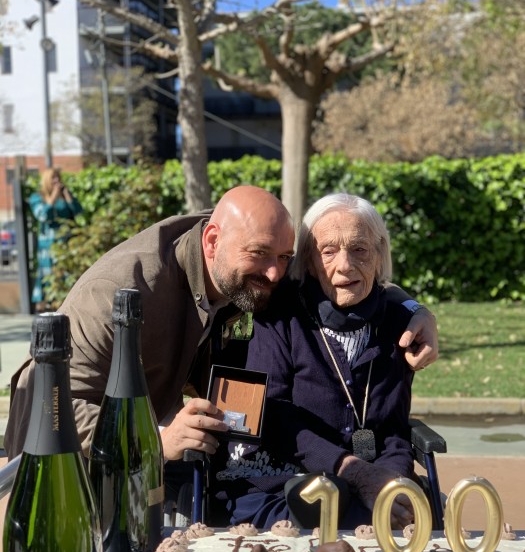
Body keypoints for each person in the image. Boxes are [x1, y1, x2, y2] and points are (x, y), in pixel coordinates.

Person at [4, 186, 437, 471]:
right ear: (212, 242)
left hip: (155, 461)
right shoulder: (119, 293)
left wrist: (412, 308)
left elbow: (345, 276)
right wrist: (154, 440)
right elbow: (48, 405)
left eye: (284, 258)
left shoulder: (244, 265)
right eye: (261, 255)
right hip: (64, 471)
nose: (274, 274)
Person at [216, 193, 428, 530]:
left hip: (368, 487)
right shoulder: (279, 317)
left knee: (414, 519)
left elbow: (393, 430)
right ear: (309, 261)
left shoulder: (399, 326)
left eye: (359, 249)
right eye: (328, 251)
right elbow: (270, 417)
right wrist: (356, 473)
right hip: (286, 483)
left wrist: (392, 484)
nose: (344, 265)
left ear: (379, 254)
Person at [29, 168, 83, 308]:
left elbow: (79, 213)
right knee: (48, 275)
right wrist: (53, 197)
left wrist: (67, 196)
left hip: (66, 243)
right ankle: (44, 307)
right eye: (53, 178)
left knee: (66, 273)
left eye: (58, 177)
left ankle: (66, 305)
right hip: (48, 244)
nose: (57, 181)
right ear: (46, 180)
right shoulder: (37, 197)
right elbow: (42, 215)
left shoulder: (64, 196)